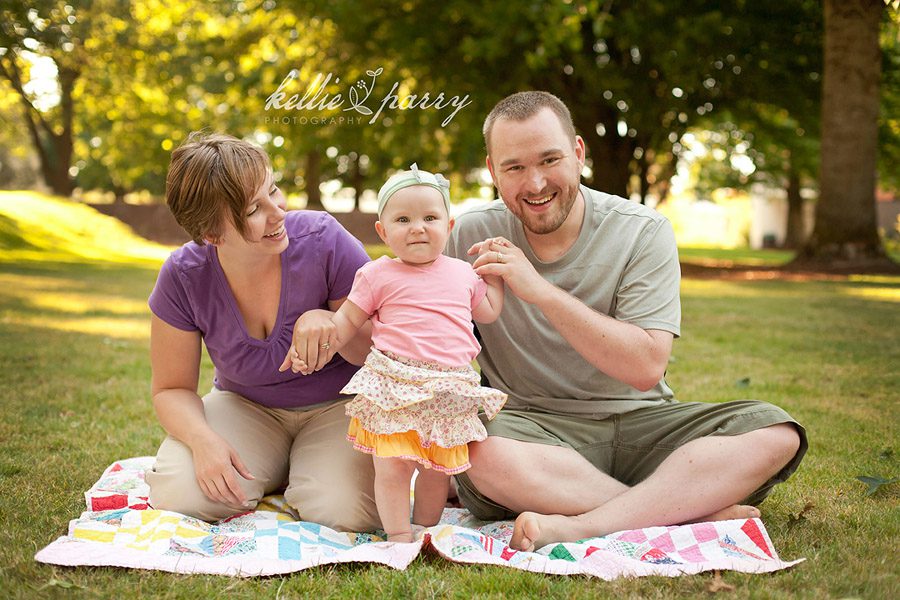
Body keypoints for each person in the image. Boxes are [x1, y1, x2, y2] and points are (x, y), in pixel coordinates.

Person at [445, 91, 808, 552]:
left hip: (643, 426)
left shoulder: (642, 230)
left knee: (775, 432)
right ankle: (680, 513)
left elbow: (645, 368)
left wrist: (538, 290)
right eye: (514, 168)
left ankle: (587, 522)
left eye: (549, 160)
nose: (535, 183)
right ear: (493, 171)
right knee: (477, 447)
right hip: (531, 435)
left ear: (578, 153)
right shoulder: (468, 236)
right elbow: (409, 317)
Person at [145, 132, 380, 532]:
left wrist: (333, 324)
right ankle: (286, 466)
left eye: (273, 191)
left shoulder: (324, 241)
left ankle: (308, 468)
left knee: (345, 509)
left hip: (342, 405)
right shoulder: (184, 276)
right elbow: (171, 389)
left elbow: (381, 353)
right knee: (179, 493)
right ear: (212, 234)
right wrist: (203, 441)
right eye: (255, 208)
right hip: (246, 407)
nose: (278, 213)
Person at [281, 164, 506, 542]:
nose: (418, 227)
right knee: (392, 468)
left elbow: (491, 311)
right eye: (403, 219)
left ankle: (427, 528)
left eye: (430, 218)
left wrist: (495, 276)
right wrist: (315, 345)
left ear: (448, 228)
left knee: (437, 470)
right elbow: (345, 325)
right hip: (394, 387)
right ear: (383, 232)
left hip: (447, 389)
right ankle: (399, 534)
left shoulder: (463, 274)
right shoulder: (377, 275)